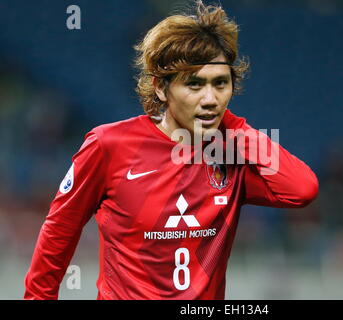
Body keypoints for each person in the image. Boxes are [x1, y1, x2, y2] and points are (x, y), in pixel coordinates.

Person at [24, 0, 319, 300]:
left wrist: (230, 124)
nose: (210, 98)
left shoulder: (231, 153)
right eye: (194, 84)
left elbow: (301, 189)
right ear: (161, 88)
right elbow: (59, 232)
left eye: (220, 83)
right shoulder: (108, 145)